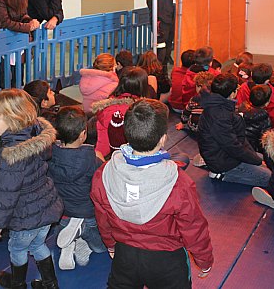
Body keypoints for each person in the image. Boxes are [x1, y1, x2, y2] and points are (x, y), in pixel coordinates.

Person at [90, 99, 214, 288]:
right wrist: (204, 260)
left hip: (125, 255)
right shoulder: (178, 182)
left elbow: (103, 217)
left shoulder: (104, 174)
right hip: (167, 260)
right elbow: (193, 226)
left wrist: (110, 244)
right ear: (163, 138)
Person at [0, 89, 62, 289]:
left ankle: (17, 284)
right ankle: (50, 283)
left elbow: (6, 195)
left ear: (14, 118)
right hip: (45, 206)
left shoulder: (10, 157)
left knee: (17, 249)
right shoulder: (35, 137)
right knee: (38, 245)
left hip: (25, 215)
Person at [48, 106, 106, 270]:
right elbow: (101, 184)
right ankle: (82, 233)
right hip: (86, 213)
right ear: (83, 134)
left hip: (61, 212)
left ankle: (71, 241)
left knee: (62, 233)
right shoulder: (91, 159)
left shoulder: (49, 155)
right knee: (101, 248)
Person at [197, 73, 271, 186]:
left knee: (271, 162)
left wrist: (257, 159)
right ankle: (220, 174)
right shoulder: (219, 115)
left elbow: (238, 140)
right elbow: (232, 146)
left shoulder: (221, 107)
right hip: (223, 163)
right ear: (232, 94)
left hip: (227, 155)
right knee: (270, 178)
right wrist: (258, 161)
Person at [91, 66, 149, 158]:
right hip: (130, 157)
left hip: (105, 156)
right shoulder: (139, 111)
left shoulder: (105, 108)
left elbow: (102, 145)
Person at [145, 0, 179, 65]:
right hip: (160, 19)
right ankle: (158, 70)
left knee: (168, 43)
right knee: (161, 45)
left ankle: (164, 68)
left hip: (167, 17)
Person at [236, 84, 272, 153]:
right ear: (267, 102)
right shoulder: (265, 119)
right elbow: (264, 141)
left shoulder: (240, 111)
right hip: (254, 151)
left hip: (239, 147)